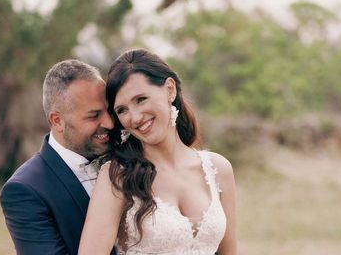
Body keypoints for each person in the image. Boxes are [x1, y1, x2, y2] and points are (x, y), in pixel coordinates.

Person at [78, 48, 238, 255]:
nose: (134, 118)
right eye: (122, 110)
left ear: (170, 89)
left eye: (141, 99)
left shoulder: (218, 169)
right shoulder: (117, 176)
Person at [0, 59, 115, 255]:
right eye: (94, 115)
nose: (110, 123)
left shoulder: (130, 155)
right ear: (57, 121)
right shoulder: (25, 190)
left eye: (110, 110)